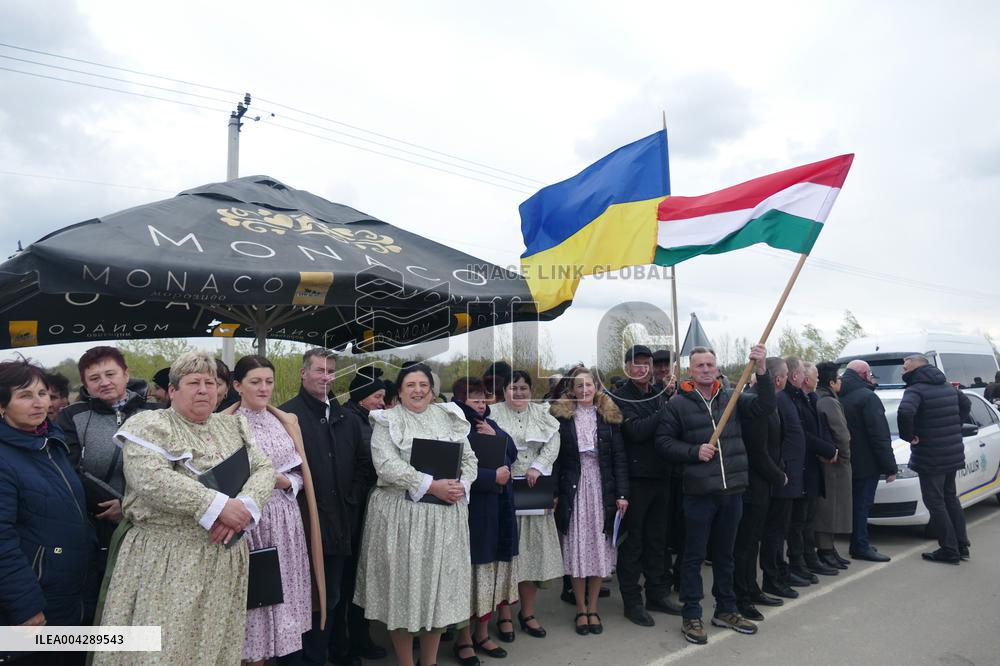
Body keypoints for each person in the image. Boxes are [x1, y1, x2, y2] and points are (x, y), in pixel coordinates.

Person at [94, 350, 275, 666]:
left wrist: (244, 507)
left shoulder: (232, 427)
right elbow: (150, 479)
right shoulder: (150, 425)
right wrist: (216, 505)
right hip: (168, 557)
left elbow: (264, 468)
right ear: (173, 391)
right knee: (165, 648)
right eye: (193, 383)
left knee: (216, 641)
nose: (204, 389)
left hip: (224, 557)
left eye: (210, 382)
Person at [353, 363, 477, 666]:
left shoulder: (449, 417)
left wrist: (461, 485)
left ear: (432, 390)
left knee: (437, 592)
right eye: (411, 385)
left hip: (444, 518)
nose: (418, 390)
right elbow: (386, 465)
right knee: (404, 593)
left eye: (423, 384)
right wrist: (432, 485)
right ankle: (407, 662)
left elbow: (470, 458)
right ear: (400, 390)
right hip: (401, 518)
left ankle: (430, 661)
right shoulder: (387, 420)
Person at [655, 344, 774, 645]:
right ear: (690, 371)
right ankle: (691, 614)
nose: (706, 369)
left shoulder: (732, 398)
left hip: (732, 489)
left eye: (710, 364)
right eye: (700, 366)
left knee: (726, 555)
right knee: (693, 556)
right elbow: (664, 444)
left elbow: (765, 408)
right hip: (698, 492)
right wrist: (694, 451)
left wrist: (761, 371)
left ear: (717, 367)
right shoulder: (678, 405)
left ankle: (726, 609)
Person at [223, 355, 319, 665]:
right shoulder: (225, 424)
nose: (264, 388)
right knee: (253, 603)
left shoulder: (285, 420)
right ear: (238, 386)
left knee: (283, 600)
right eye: (255, 382)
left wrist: (286, 482)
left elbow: (300, 475)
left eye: (268, 381)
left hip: (286, 520)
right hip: (251, 521)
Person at [0, 359, 96, 666]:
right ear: (2, 405)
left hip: (72, 591)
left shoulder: (50, 443)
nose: (39, 402)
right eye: (25, 395)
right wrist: (25, 606)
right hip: (36, 599)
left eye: (43, 393)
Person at [280, 348, 369, 666]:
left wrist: (352, 497)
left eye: (331, 370)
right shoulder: (286, 416)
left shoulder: (345, 418)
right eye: (319, 370)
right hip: (301, 525)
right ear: (303, 373)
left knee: (330, 598)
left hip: (340, 523)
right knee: (297, 599)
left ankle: (318, 657)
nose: (326, 376)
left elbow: (363, 463)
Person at [58, 346, 158, 573]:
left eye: (110, 374)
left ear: (125, 373)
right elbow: (69, 469)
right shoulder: (72, 416)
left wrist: (129, 508)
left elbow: (171, 470)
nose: (104, 382)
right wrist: (109, 506)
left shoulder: (157, 413)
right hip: (97, 521)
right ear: (85, 384)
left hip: (151, 522)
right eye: (94, 378)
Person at [551, 367, 628, 636]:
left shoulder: (608, 416)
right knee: (576, 548)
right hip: (574, 486)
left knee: (598, 547)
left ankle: (593, 608)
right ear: (572, 389)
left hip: (601, 488)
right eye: (579, 385)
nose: (585, 390)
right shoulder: (561, 417)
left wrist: (622, 494)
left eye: (589, 385)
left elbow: (619, 458)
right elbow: (557, 459)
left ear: (597, 386)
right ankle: (580, 609)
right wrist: (555, 494)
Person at [490, 371, 563, 641]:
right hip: (503, 487)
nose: (518, 393)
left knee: (531, 556)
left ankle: (528, 612)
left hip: (534, 487)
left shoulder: (542, 414)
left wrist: (538, 467)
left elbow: (553, 442)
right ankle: (505, 615)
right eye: (512, 388)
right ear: (504, 391)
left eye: (523, 388)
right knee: (506, 557)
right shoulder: (492, 413)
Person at [611, 345, 680, 628]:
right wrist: (666, 403)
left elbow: (669, 428)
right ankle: (632, 601)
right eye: (636, 364)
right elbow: (636, 430)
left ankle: (657, 593)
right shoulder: (620, 396)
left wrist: (669, 401)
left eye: (646, 364)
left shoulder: (658, 393)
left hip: (662, 475)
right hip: (636, 480)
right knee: (634, 543)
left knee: (657, 541)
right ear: (627, 367)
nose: (642, 369)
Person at [451, 377, 519, 664]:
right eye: (474, 398)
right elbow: (453, 468)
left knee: (489, 573)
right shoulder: (455, 425)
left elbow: (512, 453)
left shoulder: (490, 422)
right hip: (472, 509)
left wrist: (495, 435)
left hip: (498, 508)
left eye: (484, 397)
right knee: (470, 574)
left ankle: (482, 632)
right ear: (460, 399)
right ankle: (463, 638)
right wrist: (492, 477)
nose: (481, 403)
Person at [333, 367, 387, 665]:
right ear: (363, 397)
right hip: (356, 509)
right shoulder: (349, 421)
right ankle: (344, 643)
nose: (382, 401)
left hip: (368, 508)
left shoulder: (368, 419)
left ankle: (359, 637)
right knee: (351, 579)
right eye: (378, 396)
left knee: (362, 578)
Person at [897, 354, 972, 564]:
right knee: (950, 497)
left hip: (930, 455)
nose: (903, 372)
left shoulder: (916, 389)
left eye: (905, 368)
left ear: (916, 369)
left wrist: (909, 436)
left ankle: (949, 549)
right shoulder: (947, 386)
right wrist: (955, 426)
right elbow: (966, 405)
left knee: (935, 501)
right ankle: (961, 545)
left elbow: (904, 412)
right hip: (951, 452)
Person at [734, 359, 788, 621]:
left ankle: (752, 588)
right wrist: (779, 476)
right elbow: (757, 451)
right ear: (776, 379)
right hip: (752, 485)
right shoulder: (753, 403)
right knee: (744, 545)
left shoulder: (767, 401)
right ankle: (741, 596)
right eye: (786, 375)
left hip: (763, 485)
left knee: (753, 541)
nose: (787, 379)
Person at [783, 358, 838, 580]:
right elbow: (801, 434)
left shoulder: (811, 398)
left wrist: (829, 449)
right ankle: (798, 561)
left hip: (813, 466)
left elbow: (821, 429)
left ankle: (809, 557)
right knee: (798, 521)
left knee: (808, 518)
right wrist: (827, 450)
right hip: (802, 466)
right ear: (804, 377)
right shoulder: (792, 401)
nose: (817, 379)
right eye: (814, 375)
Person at [839, 360, 898, 562]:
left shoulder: (837, 394)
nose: (872, 377)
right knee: (862, 505)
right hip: (866, 463)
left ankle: (858, 542)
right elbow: (879, 435)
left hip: (844, 461)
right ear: (864, 374)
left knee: (852, 505)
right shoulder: (867, 397)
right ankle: (860, 545)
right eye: (871, 374)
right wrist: (890, 467)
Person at [760, 357, 809, 597]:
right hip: (782, 475)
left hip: (788, 473)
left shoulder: (785, 399)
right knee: (775, 532)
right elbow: (776, 443)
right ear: (779, 378)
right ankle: (772, 577)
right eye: (789, 373)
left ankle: (780, 571)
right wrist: (783, 472)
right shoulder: (778, 400)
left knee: (780, 530)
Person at [813, 362, 853, 570]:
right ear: (830, 382)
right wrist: (844, 457)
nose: (840, 382)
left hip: (825, 459)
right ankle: (826, 549)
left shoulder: (818, 397)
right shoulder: (828, 401)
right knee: (830, 508)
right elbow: (842, 434)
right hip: (833, 463)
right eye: (838, 378)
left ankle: (828, 549)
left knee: (828, 507)